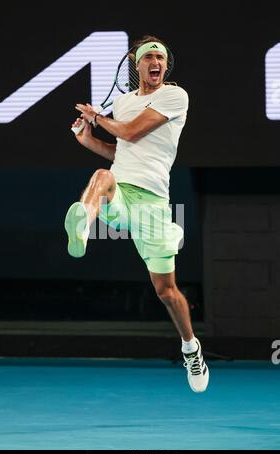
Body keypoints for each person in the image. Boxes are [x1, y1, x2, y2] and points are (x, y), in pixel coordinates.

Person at [65, 35, 209, 393]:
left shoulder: (175, 96)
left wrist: (98, 117)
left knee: (166, 291)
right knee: (102, 177)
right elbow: (120, 151)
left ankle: (191, 349)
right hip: (121, 193)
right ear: (137, 62)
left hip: (154, 205)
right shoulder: (123, 101)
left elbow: (129, 132)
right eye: (150, 57)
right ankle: (84, 222)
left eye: (161, 57)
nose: (157, 62)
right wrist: (87, 140)